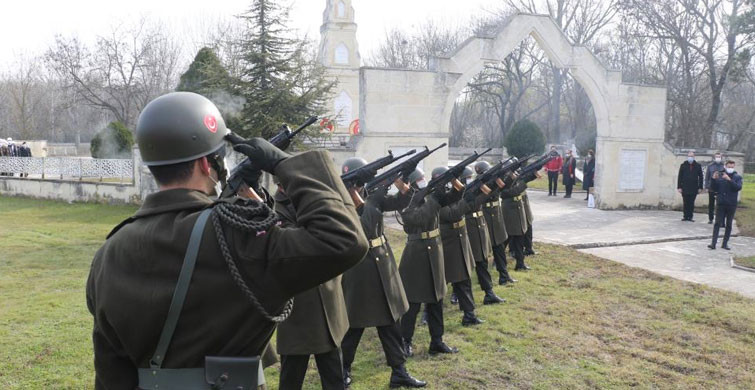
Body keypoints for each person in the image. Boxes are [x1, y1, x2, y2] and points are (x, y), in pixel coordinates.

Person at [86, 92, 368, 389]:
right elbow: (344, 239)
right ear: (209, 165)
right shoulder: (238, 235)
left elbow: (110, 371)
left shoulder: (108, 254)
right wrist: (285, 164)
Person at [339, 158, 426, 389]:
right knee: (354, 325)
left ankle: (399, 371)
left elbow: (398, 203)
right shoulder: (341, 200)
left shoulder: (370, 193)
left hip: (382, 264)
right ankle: (343, 370)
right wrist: (358, 197)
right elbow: (366, 226)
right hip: (360, 268)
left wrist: (402, 184)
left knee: (390, 322)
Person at [273, 186, 350, 390]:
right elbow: (301, 242)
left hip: (327, 299)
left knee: (334, 374)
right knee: (292, 374)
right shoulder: (278, 210)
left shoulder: (310, 201)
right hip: (299, 305)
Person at [399, 168, 459, 358]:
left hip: (434, 250)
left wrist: (454, 182)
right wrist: (434, 198)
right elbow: (419, 218)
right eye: (420, 179)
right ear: (412, 183)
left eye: (424, 178)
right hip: (416, 254)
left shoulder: (431, 196)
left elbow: (453, 199)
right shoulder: (406, 201)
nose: (423, 180)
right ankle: (404, 341)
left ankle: (437, 341)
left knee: (436, 299)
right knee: (413, 302)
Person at [435, 166, 485, 326]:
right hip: (446, 241)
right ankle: (428, 314)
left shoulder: (453, 192)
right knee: (440, 282)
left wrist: (473, 195)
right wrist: (466, 200)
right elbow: (451, 214)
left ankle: (469, 314)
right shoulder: (434, 197)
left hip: (460, 238)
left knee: (464, 279)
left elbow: (466, 207)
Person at [475, 161, 515, 288]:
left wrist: (509, 175)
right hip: (485, 214)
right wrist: (493, 182)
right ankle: (485, 280)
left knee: (499, 247)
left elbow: (504, 187)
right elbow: (488, 194)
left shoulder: (493, 179)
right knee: (485, 250)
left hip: (496, 215)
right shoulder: (479, 183)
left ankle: (504, 275)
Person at [708, 160, 743, 250]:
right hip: (721, 203)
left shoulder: (737, 177)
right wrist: (713, 179)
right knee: (717, 223)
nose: (730, 168)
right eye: (729, 166)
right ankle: (713, 243)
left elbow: (738, 187)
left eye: (732, 167)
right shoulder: (720, 176)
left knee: (729, 224)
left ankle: (725, 244)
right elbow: (713, 188)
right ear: (725, 166)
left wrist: (729, 180)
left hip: (731, 204)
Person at [677, 151, 704, 222]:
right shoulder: (683, 165)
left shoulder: (698, 166)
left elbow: (701, 177)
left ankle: (690, 216)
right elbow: (680, 176)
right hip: (685, 187)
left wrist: (700, 187)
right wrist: (679, 187)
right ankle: (685, 216)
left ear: (694, 157)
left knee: (691, 203)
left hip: (694, 187)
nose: (690, 158)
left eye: (691, 156)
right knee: (685, 202)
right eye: (689, 156)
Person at [704, 152, 725, 224]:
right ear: (714, 157)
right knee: (711, 204)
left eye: (719, 157)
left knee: (720, 204)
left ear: (721, 157)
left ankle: (720, 219)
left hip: (721, 187)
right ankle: (710, 219)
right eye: (716, 156)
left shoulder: (724, 166)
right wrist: (706, 186)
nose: (718, 158)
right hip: (712, 187)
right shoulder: (710, 166)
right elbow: (707, 177)